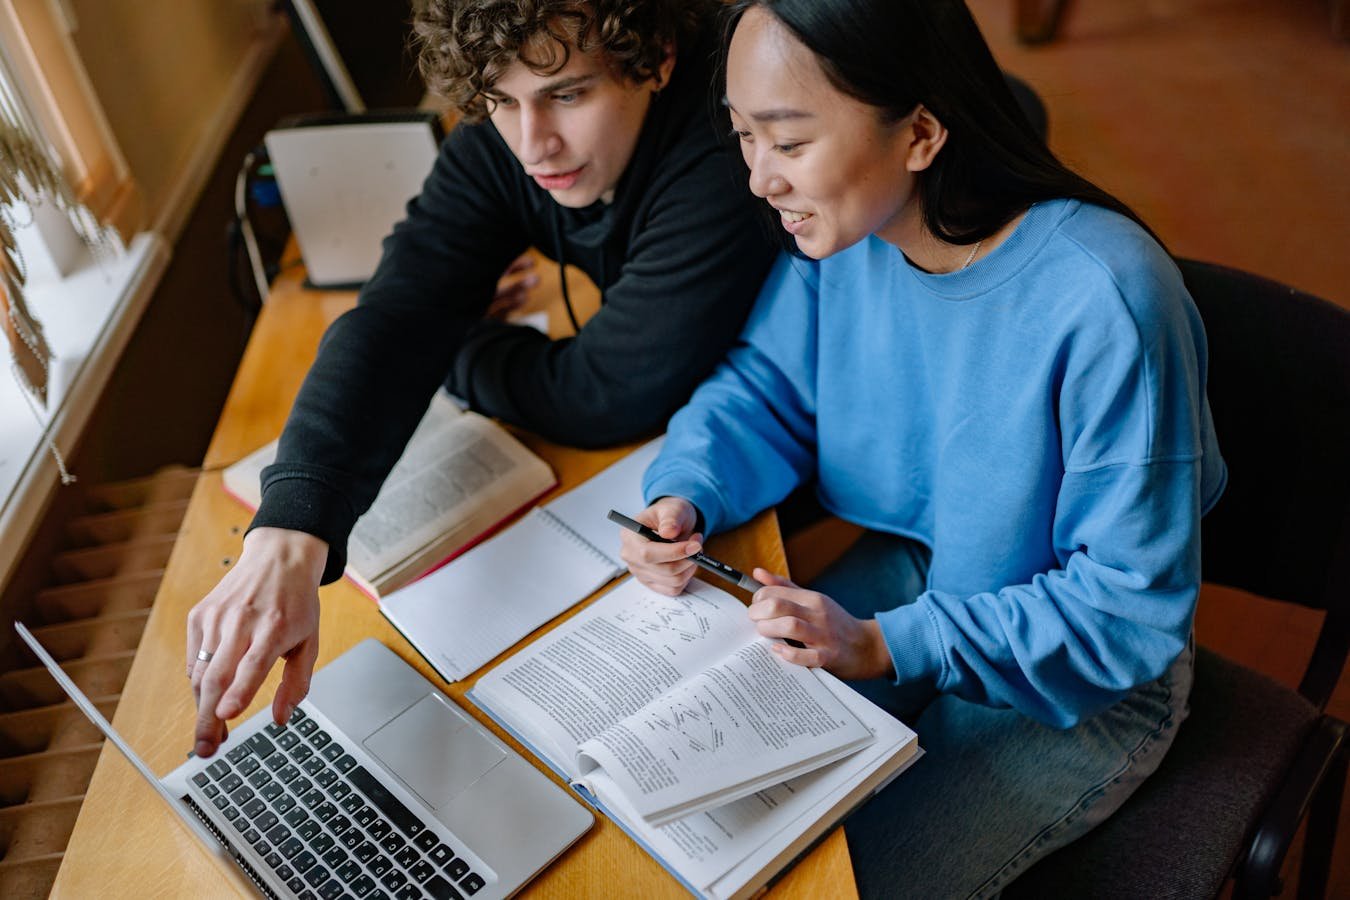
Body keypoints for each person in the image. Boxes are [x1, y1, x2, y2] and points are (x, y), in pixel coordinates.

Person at [619, 1, 1227, 896]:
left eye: (787, 143)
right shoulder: (846, 236)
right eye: (744, 136)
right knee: (692, 804)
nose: (758, 180)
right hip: (920, 571)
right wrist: (689, 489)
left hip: (1084, 677)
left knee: (842, 879)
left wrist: (887, 646)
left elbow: (1125, 611)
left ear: (922, 133)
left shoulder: (1109, 298)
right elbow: (767, 389)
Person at [185, 0, 776, 759]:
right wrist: (289, 532)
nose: (534, 143)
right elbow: (395, 317)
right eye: (501, 101)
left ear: (656, 58)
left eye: (568, 94)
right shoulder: (512, 139)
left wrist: (456, 338)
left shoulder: (723, 139)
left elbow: (601, 394)